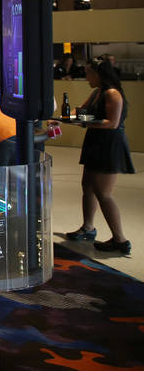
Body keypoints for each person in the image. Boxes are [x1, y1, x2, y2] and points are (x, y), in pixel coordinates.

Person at [65, 59, 133, 254]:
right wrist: (69, 117)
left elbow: (112, 123)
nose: (86, 78)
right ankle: (88, 227)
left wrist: (82, 123)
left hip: (109, 145)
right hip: (96, 143)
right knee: (87, 186)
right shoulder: (97, 93)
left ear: (98, 74)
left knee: (103, 193)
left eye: (88, 73)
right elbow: (83, 112)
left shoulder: (112, 94)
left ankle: (120, 240)